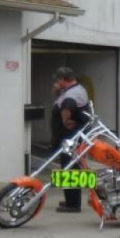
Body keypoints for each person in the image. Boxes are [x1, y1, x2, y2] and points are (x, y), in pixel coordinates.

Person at [51, 67, 90, 212]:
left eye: (57, 80)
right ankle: (70, 200)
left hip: (72, 138)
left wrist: (66, 122)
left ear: (62, 79)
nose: (56, 83)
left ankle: (73, 204)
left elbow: (67, 109)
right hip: (71, 137)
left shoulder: (72, 94)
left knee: (70, 167)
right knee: (68, 166)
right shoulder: (75, 89)